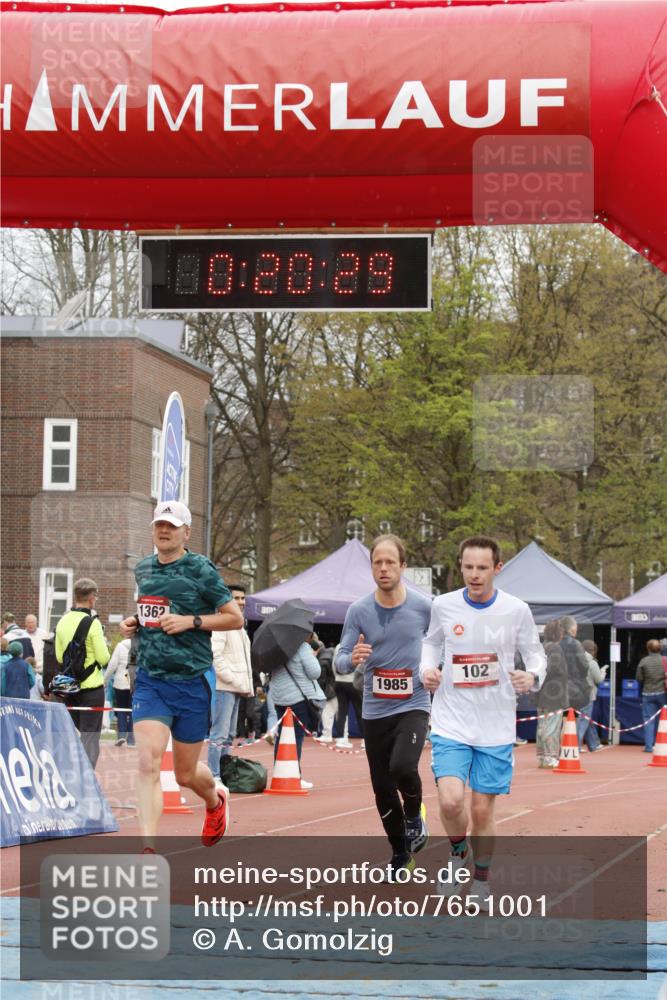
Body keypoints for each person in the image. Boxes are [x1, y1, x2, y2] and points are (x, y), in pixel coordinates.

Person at [420, 535, 546, 909]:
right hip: (451, 720)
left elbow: (536, 655)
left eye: (482, 568)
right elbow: (430, 643)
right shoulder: (443, 605)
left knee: (481, 810)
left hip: (495, 724)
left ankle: (481, 879)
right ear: (460, 566)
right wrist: (427, 669)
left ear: (497, 568)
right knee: (450, 801)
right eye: (468, 567)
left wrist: (532, 676)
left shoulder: (516, 610)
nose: (474, 575)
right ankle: (458, 852)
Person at [119, 500, 244, 847]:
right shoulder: (144, 569)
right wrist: (134, 622)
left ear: (186, 533)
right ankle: (148, 849)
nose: (164, 530)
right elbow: (151, 612)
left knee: (185, 774)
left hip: (192, 681)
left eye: (172, 526)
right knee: (148, 763)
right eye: (160, 524)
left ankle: (215, 801)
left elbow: (235, 618)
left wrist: (192, 621)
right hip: (151, 679)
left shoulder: (200, 569)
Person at [336, 534, 432, 878]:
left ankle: (414, 815)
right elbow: (340, 660)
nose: (384, 568)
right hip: (375, 709)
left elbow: (442, 645)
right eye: (378, 562)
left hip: (413, 703)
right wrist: (353, 658)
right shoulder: (359, 610)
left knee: (403, 767)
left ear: (403, 566)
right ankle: (400, 854)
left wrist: (435, 670)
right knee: (382, 786)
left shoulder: (424, 607)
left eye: (391, 561)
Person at [54, 578, 110, 769]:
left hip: (69, 687)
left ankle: (74, 772)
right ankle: (87, 777)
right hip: (91, 688)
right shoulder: (93, 624)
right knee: (90, 736)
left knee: (75, 733)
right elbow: (103, 658)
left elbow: (59, 656)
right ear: (92, 598)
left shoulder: (62, 621)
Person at [268, 634, 325, 789]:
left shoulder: (274, 649)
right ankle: (294, 776)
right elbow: (315, 672)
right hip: (297, 698)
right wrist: (312, 656)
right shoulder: (302, 647)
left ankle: (280, 772)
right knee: (296, 738)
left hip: (279, 697)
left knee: (282, 737)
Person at [208, 585, 253, 775]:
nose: (241, 602)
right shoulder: (222, 624)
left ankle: (224, 772)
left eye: (243, 598)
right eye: (236, 598)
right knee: (219, 734)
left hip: (236, 688)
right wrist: (235, 680)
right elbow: (215, 657)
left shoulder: (240, 627)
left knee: (229, 735)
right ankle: (214, 774)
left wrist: (244, 685)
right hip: (224, 688)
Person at [535, 620, 568, 768]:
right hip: (553, 695)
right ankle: (550, 757)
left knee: (542, 726)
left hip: (541, 694)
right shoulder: (555, 648)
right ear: (558, 634)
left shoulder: (542, 647)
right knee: (552, 727)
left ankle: (542, 756)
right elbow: (551, 669)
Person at [636, 639, 667, 753]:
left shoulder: (644, 661)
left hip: (647, 693)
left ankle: (649, 746)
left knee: (648, 720)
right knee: (665, 720)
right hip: (663, 693)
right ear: (660, 649)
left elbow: (639, 678)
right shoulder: (665, 660)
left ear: (648, 648)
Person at [104, 637, 136, 747]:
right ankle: (131, 739)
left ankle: (121, 735)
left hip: (120, 682)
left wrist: (105, 679)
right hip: (135, 682)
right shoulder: (141, 645)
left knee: (121, 709)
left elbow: (112, 665)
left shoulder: (120, 646)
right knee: (132, 710)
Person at [332, 644, 362, 749]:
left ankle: (341, 738)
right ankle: (365, 740)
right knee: (360, 711)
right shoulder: (358, 645)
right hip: (353, 682)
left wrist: (337, 677)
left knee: (341, 711)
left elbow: (334, 664)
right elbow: (361, 666)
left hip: (339, 681)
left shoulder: (338, 646)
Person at [559, 616, 591, 713]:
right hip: (575, 690)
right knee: (575, 718)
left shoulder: (553, 644)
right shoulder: (576, 644)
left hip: (556, 690)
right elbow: (584, 666)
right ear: (572, 629)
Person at [579, 639, 606, 752]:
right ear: (592, 651)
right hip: (588, 694)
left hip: (576, 694)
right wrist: (603, 672)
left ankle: (593, 744)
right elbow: (598, 680)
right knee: (583, 721)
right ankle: (576, 746)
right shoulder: (592, 663)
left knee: (586, 719)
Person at [314, 641, 337, 743]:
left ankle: (327, 734)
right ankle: (342, 737)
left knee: (327, 712)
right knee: (341, 714)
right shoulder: (331, 653)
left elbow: (322, 679)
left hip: (329, 689)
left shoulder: (322, 660)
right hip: (337, 686)